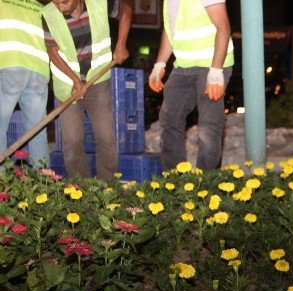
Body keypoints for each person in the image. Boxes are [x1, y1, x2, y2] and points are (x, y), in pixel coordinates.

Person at [41, 0, 132, 180]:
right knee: (73, 142)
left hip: (97, 80)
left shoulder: (100, 3)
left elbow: (126, 12)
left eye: (64, 1)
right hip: (68, 84)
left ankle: (108, 186)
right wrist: (75, 81)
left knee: (105, 136)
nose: (59, 5)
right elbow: (53, 52)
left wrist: (121, 44)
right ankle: (82, 189)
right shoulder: (49, 14)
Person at [148, 0, 234, 171]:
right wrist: (160, 64)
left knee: (209, 126)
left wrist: (216, 71)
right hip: (183, 66)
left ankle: (206, 183)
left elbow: (223, 27)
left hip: (212, 65)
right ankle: (175, 180)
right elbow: (170, 29)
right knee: (169, 119)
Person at [0, 0, 50, 169]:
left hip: (9, 66)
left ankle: (2, 187)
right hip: (39, 71)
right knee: (37, 133)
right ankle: (44, 184)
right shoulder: (38, 5)